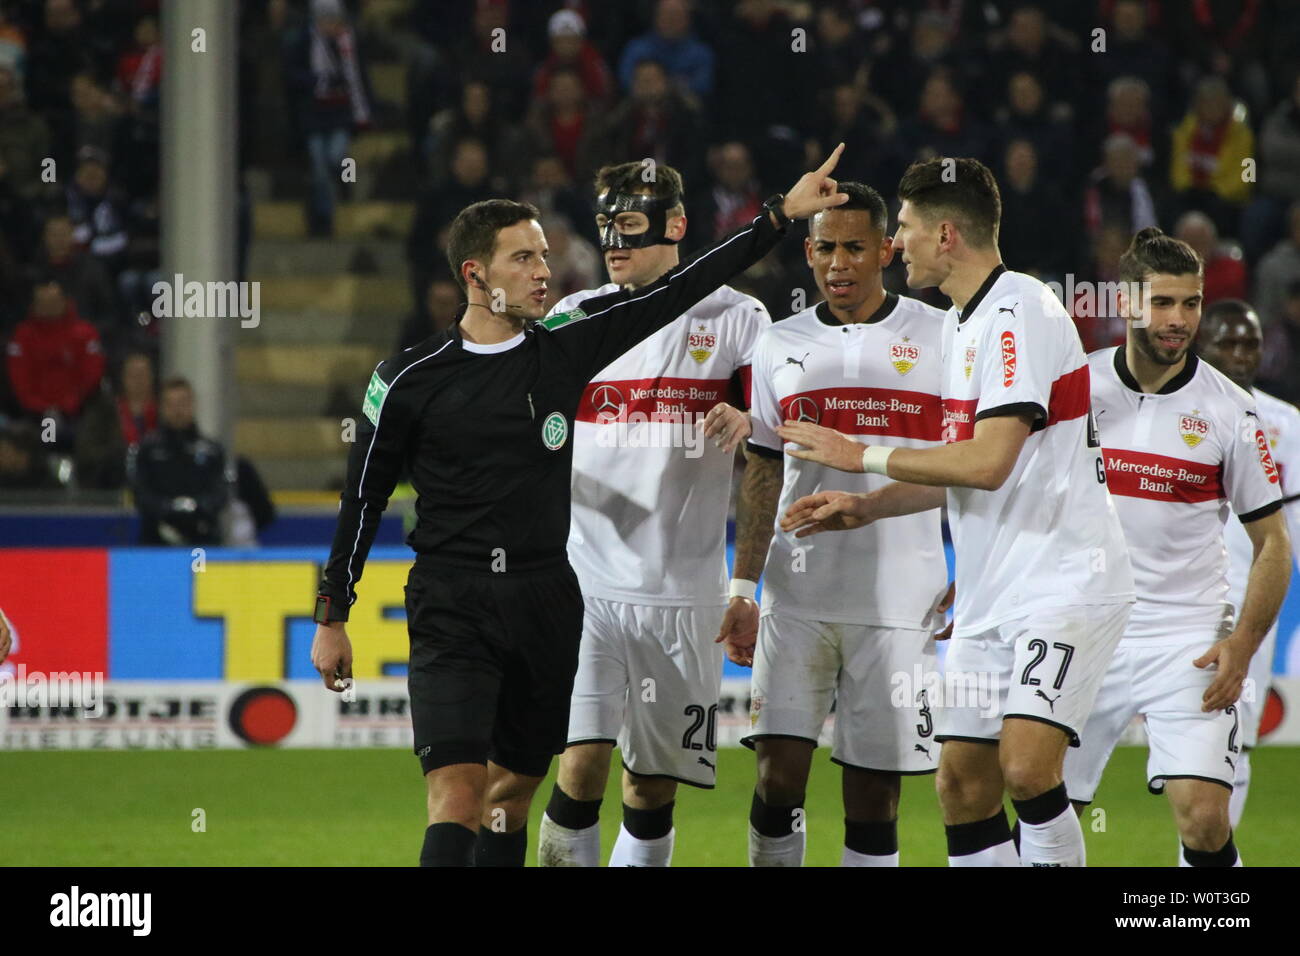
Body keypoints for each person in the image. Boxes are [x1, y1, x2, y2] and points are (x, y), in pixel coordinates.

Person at [310, 148, 851, 868]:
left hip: (595, 597)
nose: (549, 267)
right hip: (514, 592)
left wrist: (778, 217)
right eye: (524, 258)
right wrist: (332, 611)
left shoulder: (601, 340)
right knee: (505, 782)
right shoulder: (454, 362)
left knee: (576, 792)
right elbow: (364, 494)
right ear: (476, 274)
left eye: (544, 254)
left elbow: (684, 293)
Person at [777, 157, 1135, 867]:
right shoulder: (963, 327)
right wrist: (868, 506)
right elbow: (960, 472)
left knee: (1029, 769)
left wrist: (863, 456)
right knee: (963, 783)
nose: (895, 243)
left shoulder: (1018, 312)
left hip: (1062, 585)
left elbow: (988, 462)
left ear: (945, 234)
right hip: (991, 594)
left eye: (904, 228)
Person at [535, 161, 767, 867]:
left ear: (675, 225)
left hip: (682, 591)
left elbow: (769, 457)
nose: (614, 240)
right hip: (584, 585)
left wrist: (745, 588)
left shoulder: (737, 320)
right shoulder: (573, 318)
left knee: (650, 788)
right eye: (606, 225)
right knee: (578, 767)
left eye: (630, 224)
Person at [732, 182, 950, 867]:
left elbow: (975, 468)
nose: (839, 263)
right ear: (807, 252)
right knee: (777, 779)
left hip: (903, 599)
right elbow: (764, 471)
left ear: (886, 249)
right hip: (798, 598)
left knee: (875, 796)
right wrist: (743, 589)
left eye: (855, 247)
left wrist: (971, 575)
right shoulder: (777, 344)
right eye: (825, 247)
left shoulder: (942, 337)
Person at [1061, 232, 1291, 867]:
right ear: (1129, 302)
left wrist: (1241, 647)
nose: (1179, 320)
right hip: (1086, 627)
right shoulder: (1075, 391)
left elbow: (1273, 543)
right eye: (1162, 303)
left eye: (1190, 304)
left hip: (1186, 638)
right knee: (1043, 804)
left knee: (1206, 819)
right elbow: (1020, 493)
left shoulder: (1231, 411)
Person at [1194, 299, 1300, 830]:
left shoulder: (1286, 425)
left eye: (1250, 343)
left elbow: (1290, 535)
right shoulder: (1166, 413)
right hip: (1161, 603)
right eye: (1227, 343)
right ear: (1200, 344)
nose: (1240, 355)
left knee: (1232, 747)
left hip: (1246, 610)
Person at [129, 377, 229, 546]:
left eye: (182, 402)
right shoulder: (147, 450)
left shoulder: (212, 450)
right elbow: (140, 493)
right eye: (171, 404)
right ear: (162, 407)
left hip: (203, 539)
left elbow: (221, 492)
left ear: (193, 404)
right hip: (156, 540)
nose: (177, 410)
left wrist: (196, 508)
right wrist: (167, 508)